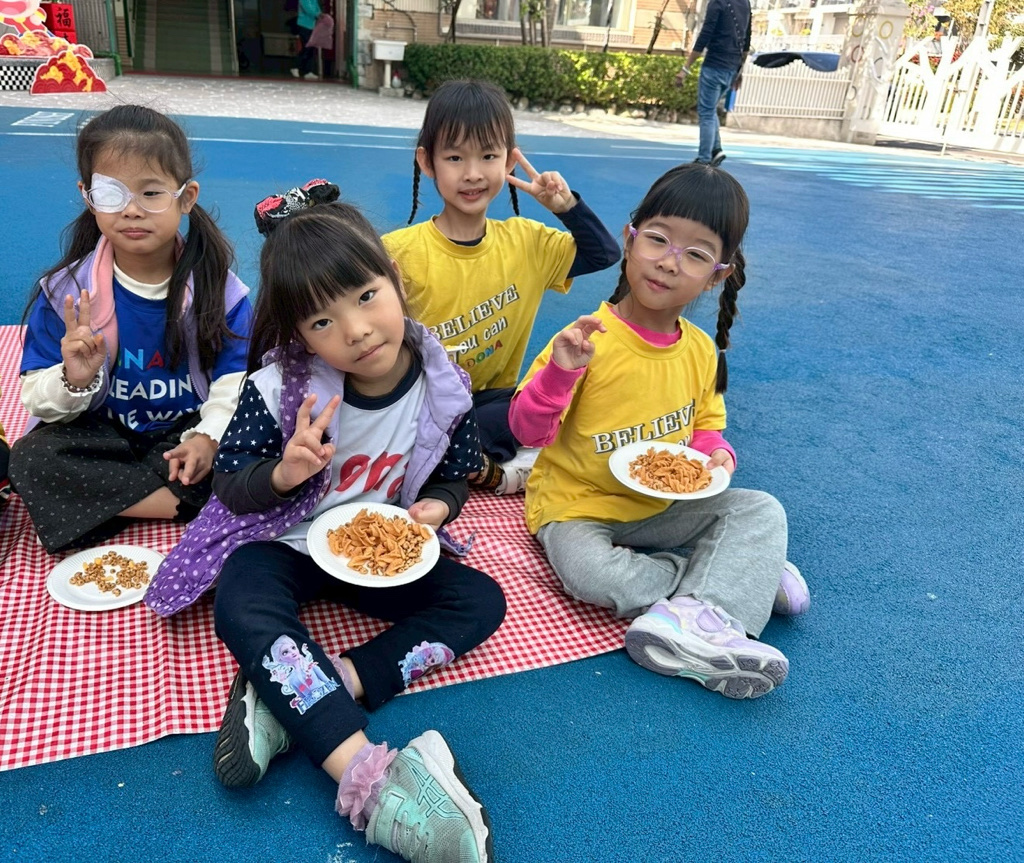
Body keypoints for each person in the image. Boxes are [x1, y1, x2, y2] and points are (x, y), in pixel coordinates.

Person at [144, 186, 505, 863]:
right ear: (298, 334)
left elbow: (455, 472)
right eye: (322, 320)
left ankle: (308, 690)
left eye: (366, 296)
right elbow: (231, 485)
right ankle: (372, 783)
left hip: (373, 556)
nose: (356, 330)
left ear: (395, 280)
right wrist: (284, 473)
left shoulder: (441, 383)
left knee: (481, 600)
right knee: (241, 601)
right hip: (285, 541)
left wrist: (437, 507)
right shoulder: (279, 390)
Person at [509, 163, 809, 700]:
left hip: (661, 509)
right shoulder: (586, 341)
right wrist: (560, 374)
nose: (670, 262)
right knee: (590, 575)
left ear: (716, 276)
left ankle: (702, 612)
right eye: (658, 239)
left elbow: (707, 427)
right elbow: (527, 431)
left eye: (695, 254)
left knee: (761, 509)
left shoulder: (699, 350)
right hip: (578, 506)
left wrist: (717, 455)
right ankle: (732, 579)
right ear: (630, 239)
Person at [10, 104, 252, 554]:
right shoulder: (65, 293)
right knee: (30, 459)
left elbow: (236, 379)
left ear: (186, 197)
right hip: (104, 435)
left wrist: (207, 436)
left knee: (261, 441)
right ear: (88, 197)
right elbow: (38, 397)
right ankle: (181, 505)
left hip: (183, 437)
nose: (132, 210)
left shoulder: (221, 290)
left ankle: (111, 506)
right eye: (111, 194)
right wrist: (72, 379)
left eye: (151, 193)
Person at [383, 78, 620, 496]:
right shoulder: (398, 252)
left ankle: (462, 464)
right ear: (427, 161)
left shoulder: (527, 242)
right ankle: (486, 468)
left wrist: (566, 207)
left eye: (488, 156)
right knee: (418, 434)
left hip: (491, 403)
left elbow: (603, 253)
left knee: (557, 404)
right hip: (420, 407)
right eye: (454, 157)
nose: (473, 174)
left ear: (509, 161)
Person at [675, 0, 751, 167]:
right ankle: (716, 149)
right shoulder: (745, 3)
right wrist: (740, 69)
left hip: (714, 65)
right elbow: (746, 39)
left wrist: (686, 67)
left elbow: (705, 35)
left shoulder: (717, 2)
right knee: (711, 109)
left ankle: (704, 158)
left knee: (706, 112)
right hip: (731, 68)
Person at [289, 0, 322, 81]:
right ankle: (295, 66)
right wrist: (318, 14)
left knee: (311, 48)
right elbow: (308, 9)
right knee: (307, 47)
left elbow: (317, 7)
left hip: (311, 25)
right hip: (303, 25)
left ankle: (308, 71)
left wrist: (319, 14)